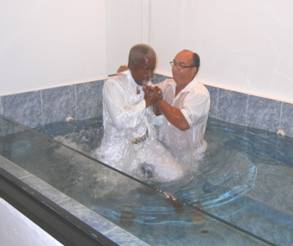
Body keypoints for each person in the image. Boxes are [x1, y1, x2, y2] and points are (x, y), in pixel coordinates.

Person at [95, 44, 184, 182]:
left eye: (152, 69)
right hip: (118, 148)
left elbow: (153, 120)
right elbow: (121, 121)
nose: (150, 74)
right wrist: (147, 102)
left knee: (176, 175)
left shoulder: (146, 83)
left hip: (145, 144)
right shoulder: (113, 86)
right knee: (114, 191)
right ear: (131, 65)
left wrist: (157, 105)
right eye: (146, 69)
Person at [148, 50, 210, 165]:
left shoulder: (199, 93)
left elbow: (183, 122)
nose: (175, 68)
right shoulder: (168, 84)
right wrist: (129, 75)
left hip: (188, 158)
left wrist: (159, 100)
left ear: (194, 70)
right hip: (166, 150)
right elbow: (148, 91)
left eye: (181, 65)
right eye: (174, 63)